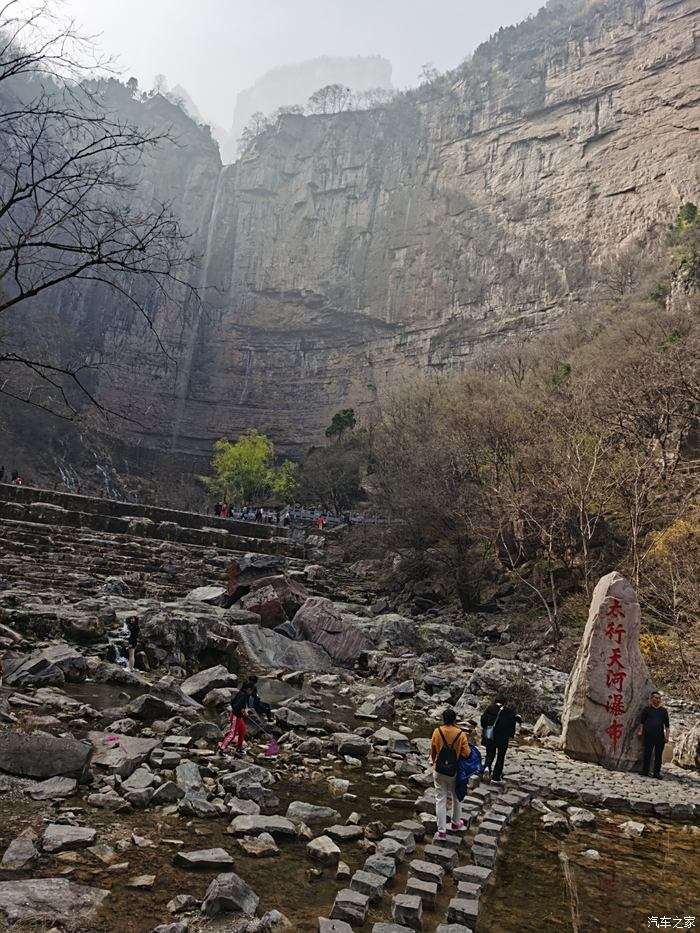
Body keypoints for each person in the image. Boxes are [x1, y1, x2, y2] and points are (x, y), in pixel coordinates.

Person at [430, 708, 470, 840]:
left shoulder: (437, 731)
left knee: (440, 799)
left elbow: (433, 750)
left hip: (439, 770)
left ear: (442, 719)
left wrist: (434, 763)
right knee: (456, 796)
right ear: (454, 720)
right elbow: (467, 753)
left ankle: (441, 831)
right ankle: (455, 823)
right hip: (454, 771)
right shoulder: (460, 733)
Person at [218, 679, 273, 756]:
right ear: (248, 689)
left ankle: (239, 749)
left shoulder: (242, 693)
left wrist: (244, 710)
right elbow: (236, 706)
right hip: (235, 717)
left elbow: (233, 702)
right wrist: (243, 711)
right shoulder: (243, 695)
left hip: (239, 717)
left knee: (243, 732)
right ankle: (221, 750)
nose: (251, 692)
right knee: (232, 734)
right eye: (251, 690)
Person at [480, 695, 518, 785]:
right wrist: (511, 735)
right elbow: (512, 724)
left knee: (489, 754)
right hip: (503, 738)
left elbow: (483, 720)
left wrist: (485, 729)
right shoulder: (509, 712)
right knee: (500, 757)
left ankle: (487, 767)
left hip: (490, 736)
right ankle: (496, 777)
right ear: (505, 702)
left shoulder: (490, 708)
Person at [638, 690, 670, 779]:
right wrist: (640, 731)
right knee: (647, 753)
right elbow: (642, 722)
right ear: (652, 699)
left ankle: (657, 772)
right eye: (656, 698)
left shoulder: (663, 711)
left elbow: (667, 725)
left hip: (659, 736)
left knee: (658, 755)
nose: (658, 700)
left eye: (659, 698)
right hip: (648, 735)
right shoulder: (647, 709)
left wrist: (667, 736)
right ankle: (645, 770)